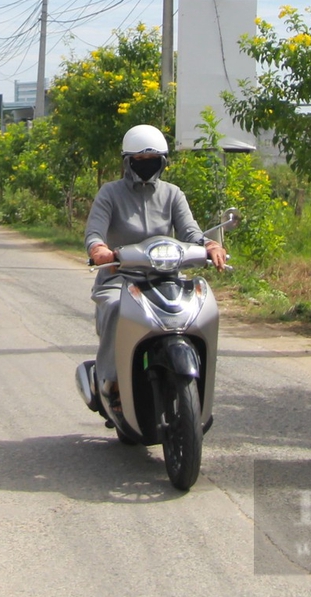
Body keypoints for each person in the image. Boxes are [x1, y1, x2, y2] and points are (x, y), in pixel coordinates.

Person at [84, 125, 226, 403]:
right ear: (127, 161)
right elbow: (94, 233)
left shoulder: (173, 194)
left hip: (166, 279)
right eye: (139, 160)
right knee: (115, 307)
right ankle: (111, 381)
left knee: (198, 305)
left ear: (163, 161)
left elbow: (191, 232)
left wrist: (209, 245)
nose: (147, 165)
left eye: (153, 160)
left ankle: (199, 383)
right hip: (120, 278)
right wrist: (99, 249)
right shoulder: (110, 193)